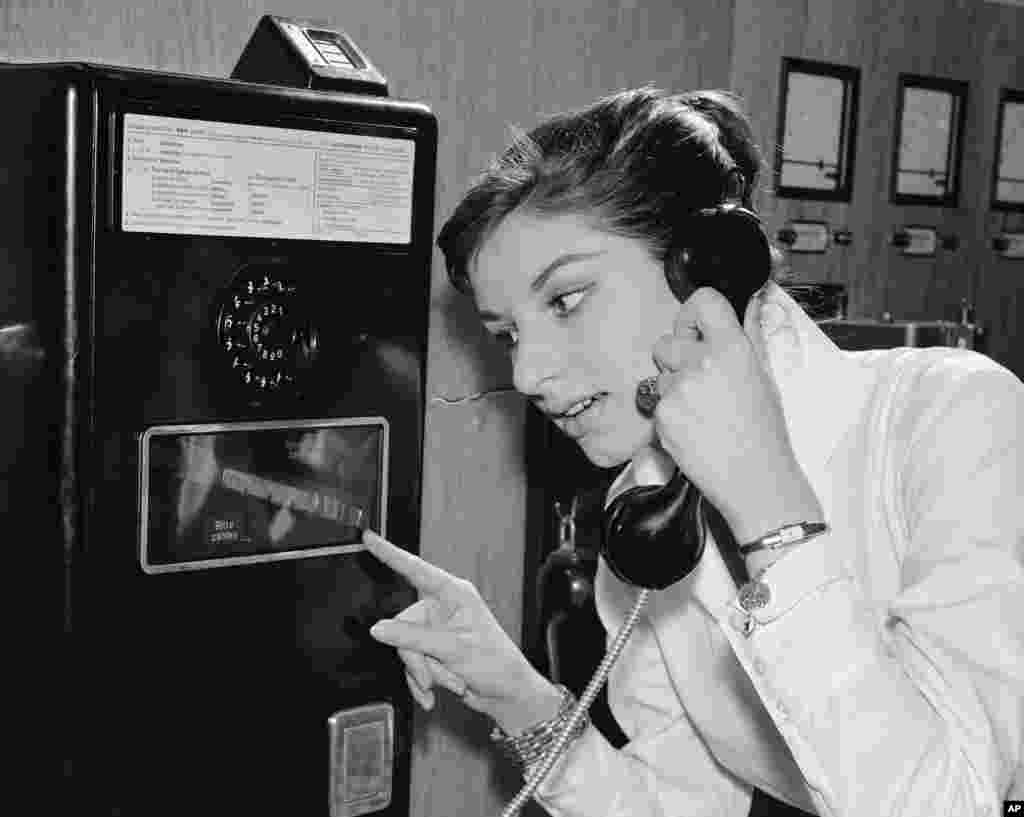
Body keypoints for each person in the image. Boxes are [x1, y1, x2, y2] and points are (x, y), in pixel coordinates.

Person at [361, 86, 1024, 816]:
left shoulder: (954, 420)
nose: (525, 375)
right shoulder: (647, 517)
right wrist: (517, 697)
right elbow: (677, 807)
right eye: (508, 334)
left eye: (566, 301)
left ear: (710, 269)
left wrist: (770, 513)